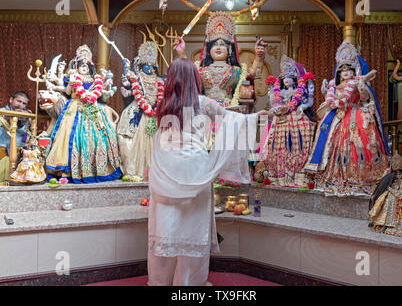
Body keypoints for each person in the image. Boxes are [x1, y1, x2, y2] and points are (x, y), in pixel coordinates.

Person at [148, 57, 268, 286]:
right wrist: (255, 118)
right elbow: (232, 120)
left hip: (165, 170)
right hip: (196, 170)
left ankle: (159, 282)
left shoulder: (164, 106)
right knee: (193, 232)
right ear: (195, 79)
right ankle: (189, 285)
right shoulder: (203, 103)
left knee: (165, 230)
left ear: (170, 80)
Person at [304, 40, 390, 196]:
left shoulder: (358, 83)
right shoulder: (334, 86)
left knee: (358, 143)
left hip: (355, 114)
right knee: (327, 138)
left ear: (354, 71)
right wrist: (325, 92)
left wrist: (362, 86)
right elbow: (331, 102)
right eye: (342, 70)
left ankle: (360, 178)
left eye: (348, 69)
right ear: (338, 73)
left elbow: (364, 98)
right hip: (337, 115)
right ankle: (333, 176)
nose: (345, 72)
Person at [45, 45, 121, 183]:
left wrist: (105, 83)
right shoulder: (73, 77)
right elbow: (68, 92)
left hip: (93, 108)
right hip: (75, 108)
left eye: (86, 65)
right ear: (76, 66)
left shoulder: (95, 79)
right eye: (81, 65)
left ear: (90, 67)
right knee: (68, 137)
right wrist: (66, 85)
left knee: (99, 139)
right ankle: (67, 171)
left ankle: (95, 169)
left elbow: (101, 92)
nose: (84, 67)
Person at [260, 55, 316, 187]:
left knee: (302, 134)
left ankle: (299, 174)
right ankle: (278, 175)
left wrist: (303, 105)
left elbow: (309, 102)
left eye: (289, 78)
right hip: (281, 118)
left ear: (295, 80)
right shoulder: (280, 92)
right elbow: (274, 103)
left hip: (296, 116)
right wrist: (271, 94)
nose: (286, 80)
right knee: (276, 144)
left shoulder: (299, 91)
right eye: (284, 78)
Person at [117, 40, 165, 181]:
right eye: (146, 65)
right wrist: (126, 71)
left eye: (152, 65)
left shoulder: (159, 80)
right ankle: (134, 171)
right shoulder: (136, 77)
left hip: (155, 114)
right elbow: (127, 90)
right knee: (131, 144)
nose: (150, 68)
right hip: (137, 113)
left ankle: (155, 173)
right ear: (140, 65)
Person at [0, 91, 32, 182]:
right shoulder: (1, 112)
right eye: (18, 101)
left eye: (24, 103)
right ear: (11, 100)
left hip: (20, 156)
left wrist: (27, 121)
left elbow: (26, 136)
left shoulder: (27, 116)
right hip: (3, 154)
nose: (21, 105)